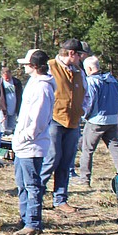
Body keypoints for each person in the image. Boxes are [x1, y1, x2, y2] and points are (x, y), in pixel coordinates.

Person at [11, 49, 56, 235]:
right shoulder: (35, 83)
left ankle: (33, 222)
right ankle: (25, 218)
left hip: (32, 144)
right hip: (25, 143)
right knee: (23, 183)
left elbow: (38, 117)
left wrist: (26, 135)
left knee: (32, 184)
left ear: (35, 66)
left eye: (27, 65)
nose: (25, 68)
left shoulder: (42, 87)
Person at [41, 39, 87, 213]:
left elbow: (85, 92)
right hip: (54, 120)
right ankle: (36, 194)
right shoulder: (51, 67)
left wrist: (82, 109)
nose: (81, 58)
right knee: (51, 159)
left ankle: (60, 199)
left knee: (66, 162)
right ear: (71, 54)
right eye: (80, 55)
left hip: (73, 122)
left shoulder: (78, 71)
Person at [78, 55, 118, 187]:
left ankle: (84, 180)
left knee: (87, 150)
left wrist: (85, 116)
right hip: (112, 119)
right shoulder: (111, 80)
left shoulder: (91, 81)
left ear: (88, 68)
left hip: (96, 120)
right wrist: (117, 113)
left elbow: (90, 101)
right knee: (115, 148)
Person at [0, 65, 23, 134]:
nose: (7, 79)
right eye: (6, 78)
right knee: (3, 128)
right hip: (2, 110)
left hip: (14, 109)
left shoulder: (17, 83)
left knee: (12, 128)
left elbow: (20, 95)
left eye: (9, 78)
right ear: (2, 76)